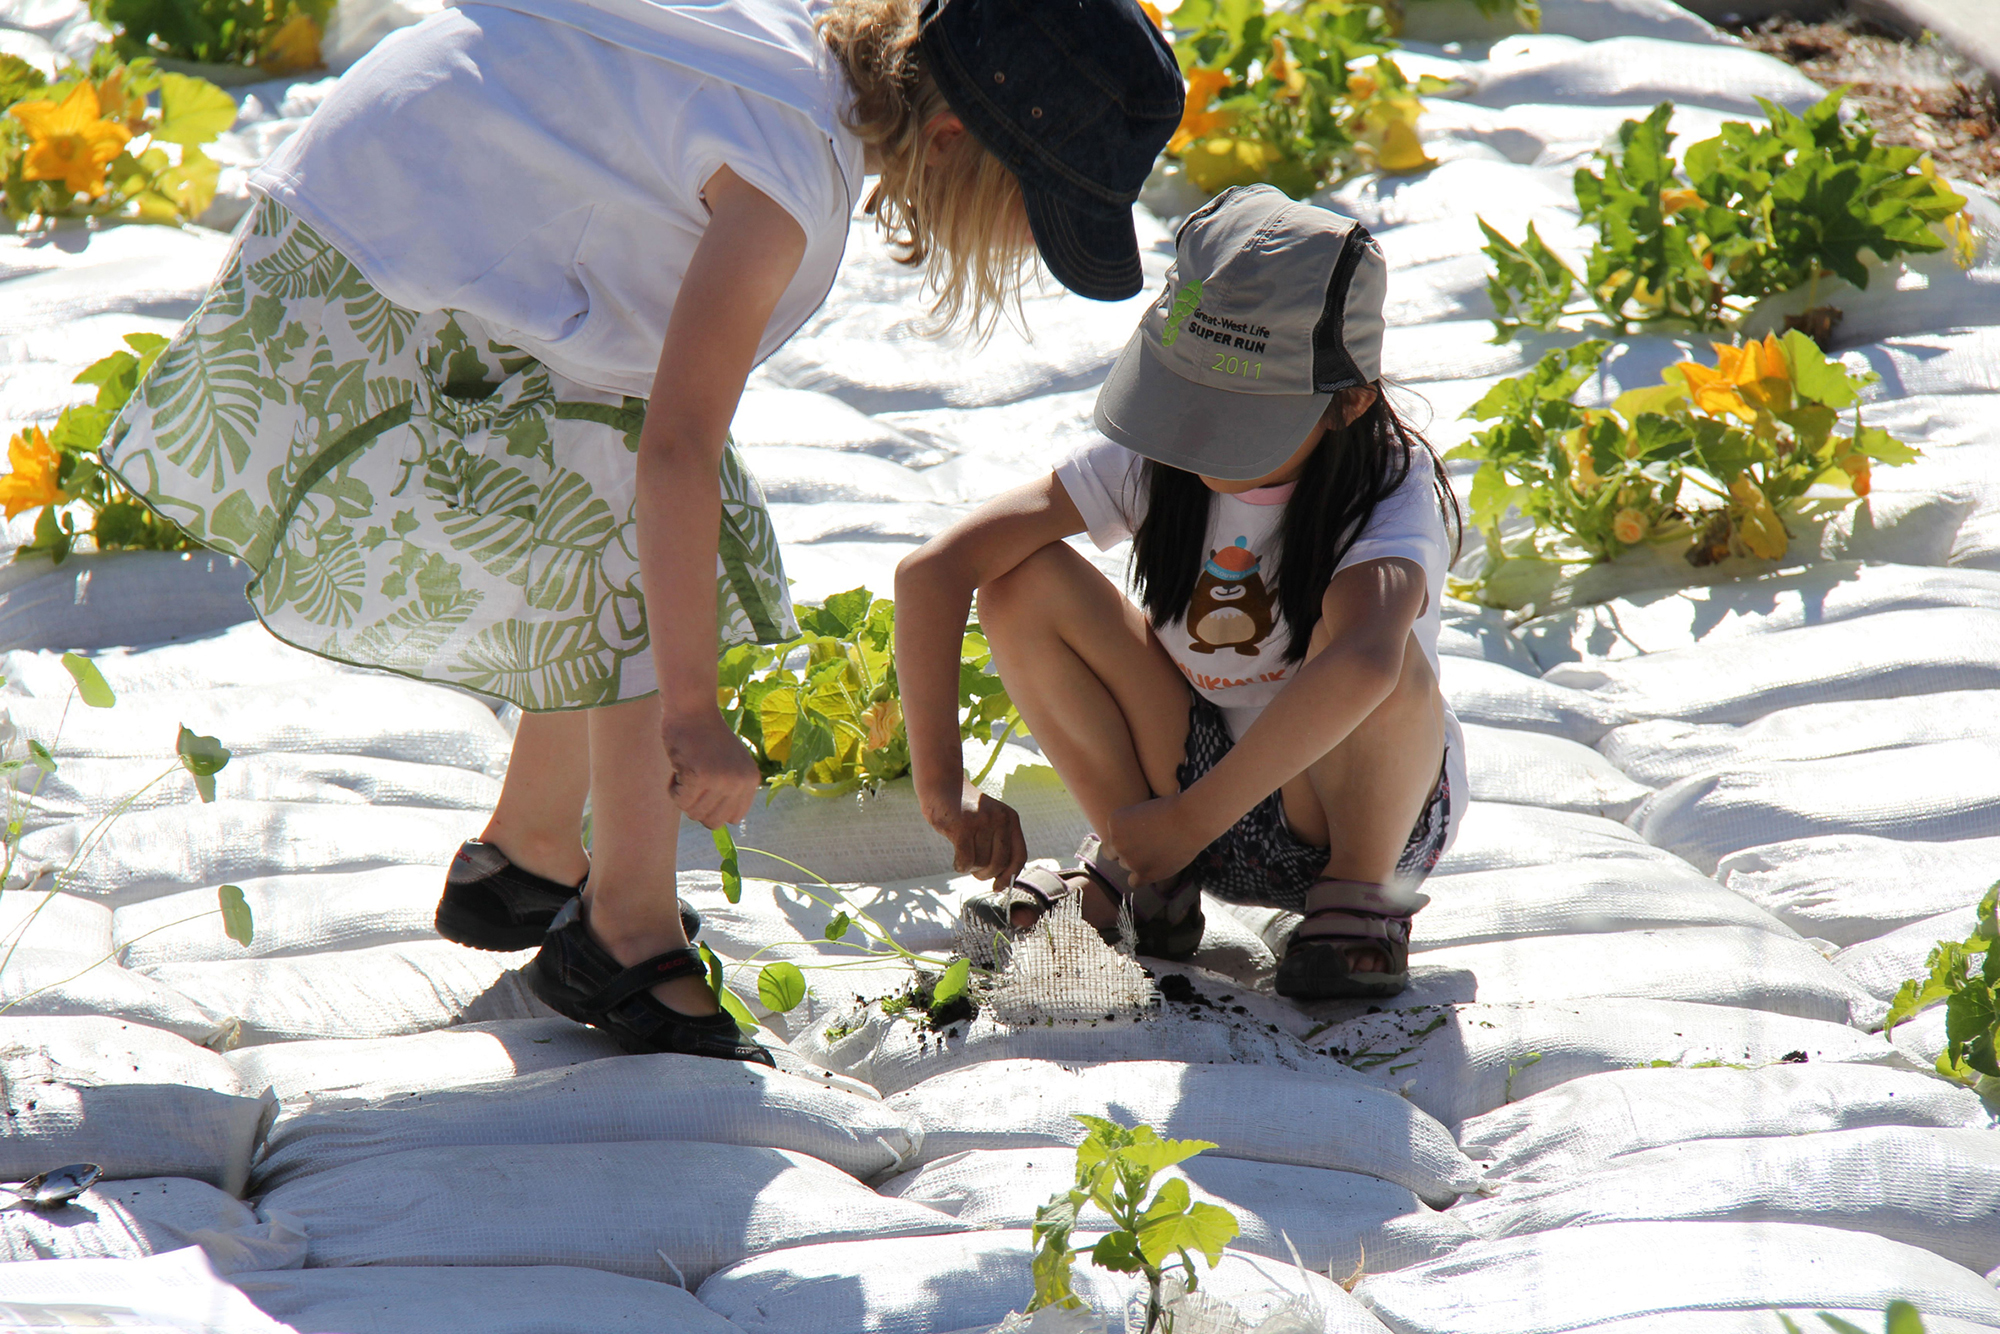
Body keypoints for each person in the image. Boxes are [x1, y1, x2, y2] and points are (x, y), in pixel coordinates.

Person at [100, 0, 1183, 1063]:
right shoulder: (785, 177)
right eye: (1026, 210)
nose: (1014, 242)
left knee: (611, 461)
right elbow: (673, 456)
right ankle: (625, 927)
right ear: (949, 140)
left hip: (363, 229)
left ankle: (530, 850)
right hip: (363, 293)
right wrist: (691, 714)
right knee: (647, 514)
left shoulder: (788, 58)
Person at [894, 184, 1465, 1001]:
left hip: (1345, 815)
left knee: (1387, 655)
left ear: (1350, 401)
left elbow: (1366, 666)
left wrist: (1192, 820)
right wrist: (945, 792)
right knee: (1020, 582)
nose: (1201, 438)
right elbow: (934, 571)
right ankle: (1147, 883)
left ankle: (1358, 903)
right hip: (1182, 800)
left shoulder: (1388, 491)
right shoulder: (1157, 460)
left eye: (1240, 418)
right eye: (1189, 403)